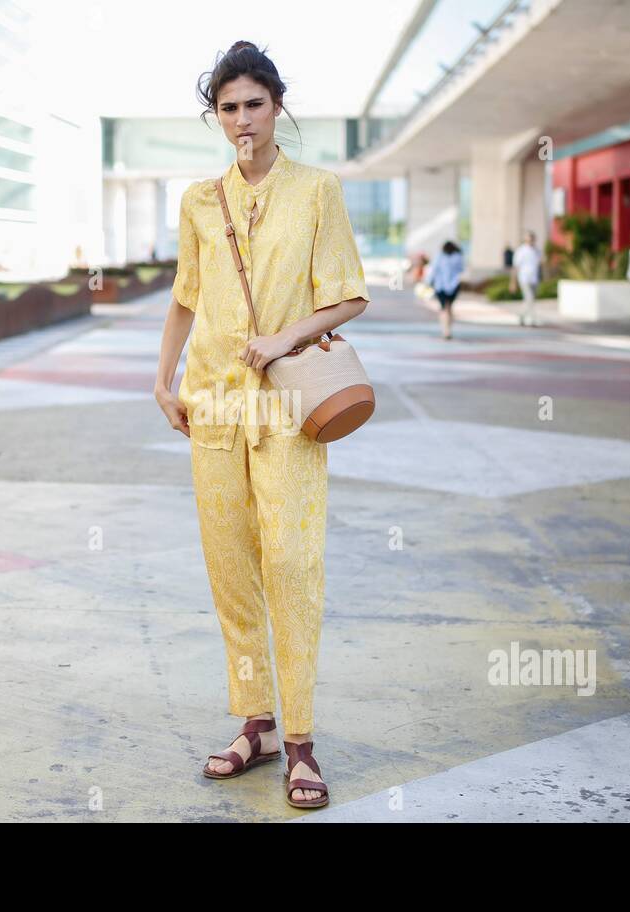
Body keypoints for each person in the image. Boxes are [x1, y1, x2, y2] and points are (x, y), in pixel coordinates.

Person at [153, 39, 370, 810]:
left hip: (284, 407)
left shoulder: (317, 191)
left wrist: (286, 337)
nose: (242, 119)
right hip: (212, 403)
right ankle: (256, 723)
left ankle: (304, 741)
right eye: (228, 107)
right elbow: (186, 294)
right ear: (215, 115)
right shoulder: (198, 202)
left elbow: (348, 294)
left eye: (254, 103)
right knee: (232, 569)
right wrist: (163, 378)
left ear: (278, 106)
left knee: (292, 563)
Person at [427, 240, 464, 339]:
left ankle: (445, 331)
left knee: (443, 308)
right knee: (449, 307)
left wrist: (428, 282)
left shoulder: (440, 256)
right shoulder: (458, 256)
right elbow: (461, 270)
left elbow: (433, 270)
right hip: (454, 285)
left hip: (441, 285)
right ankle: (449, 329)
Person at [510, 230, 541, 326]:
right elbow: (516, 267)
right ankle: (533, 320)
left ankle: (521, 316)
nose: (531, 240)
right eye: (529, 238)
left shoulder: (537, 251)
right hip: (524, 278)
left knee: (529, 300)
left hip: (534, 279)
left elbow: (539, 265)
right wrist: (513, 282)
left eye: (532, 238)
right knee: (530, 298)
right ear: (526, 239)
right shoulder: (521, 251)